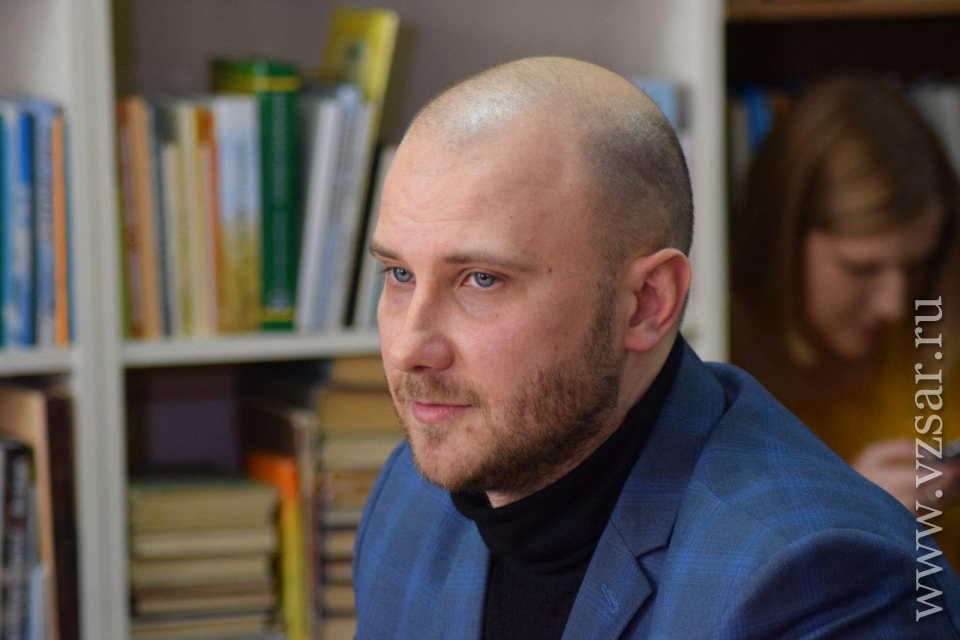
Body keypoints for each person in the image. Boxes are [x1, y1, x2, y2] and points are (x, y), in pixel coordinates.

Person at [354, 57, 960, 638]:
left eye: (481, 280)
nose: (409, 348)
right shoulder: (409, 497)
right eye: (399, 274)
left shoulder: (825, 581)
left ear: (646, 303)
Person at [731, 76, 960, 569]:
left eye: (917, 264)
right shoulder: (712, 363)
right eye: (861, 268)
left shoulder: (939, 330)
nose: (895, 305)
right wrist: (849, 515)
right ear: (782, 241)